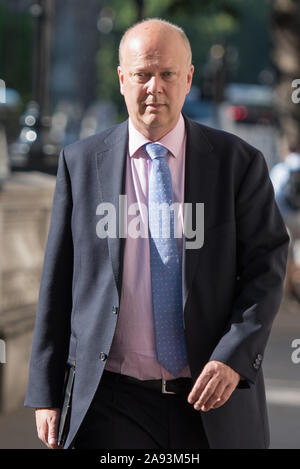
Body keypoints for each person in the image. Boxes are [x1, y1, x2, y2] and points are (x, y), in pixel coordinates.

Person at [25, 18, 289, 449]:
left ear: (188, 78)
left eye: (167, 74)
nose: (155, 87)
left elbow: (267, 268)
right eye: (143, 74)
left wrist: (233, 358)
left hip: (210, 400)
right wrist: (45, 393)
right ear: (122, 79)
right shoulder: (81, 163)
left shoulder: (238, 164)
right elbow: (58, 282)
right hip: (109, 403)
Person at [270, 148, 300, 299]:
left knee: (285, 253)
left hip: (284, 217)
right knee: (298, 252)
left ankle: (286, 288)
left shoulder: (280, 168)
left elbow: (272, 194)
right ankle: (297, 282)